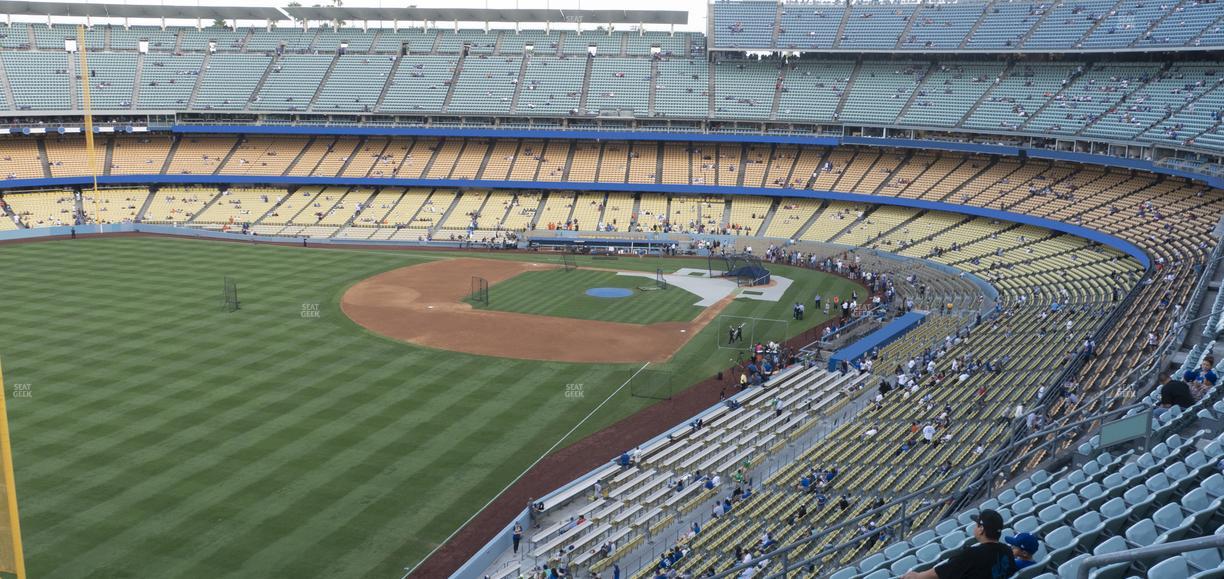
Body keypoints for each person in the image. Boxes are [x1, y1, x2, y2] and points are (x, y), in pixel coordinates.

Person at [902, 509, 1017, 579]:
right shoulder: (1008, 551)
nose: (974, 526)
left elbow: (937, 574)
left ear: (981, 529)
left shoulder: (972, 554)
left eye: (976, 524)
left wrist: (915, 576)